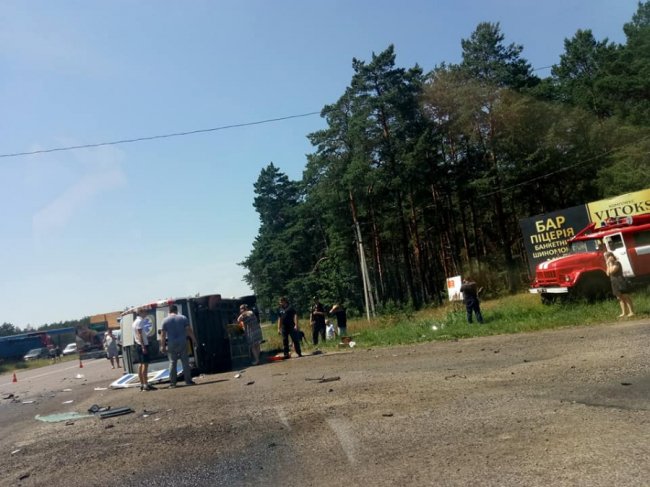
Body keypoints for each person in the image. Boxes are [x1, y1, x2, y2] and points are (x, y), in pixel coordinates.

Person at [160, 304, 197, 388]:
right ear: (176, 311)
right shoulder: (183, 318)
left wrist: (162, 346)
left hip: (171, 343)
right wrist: (194, 340)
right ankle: (188, 381)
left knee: (172, 362)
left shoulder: (165, 320)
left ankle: (173, 383)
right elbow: (189, 330)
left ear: (169, 311)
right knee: (185, 362)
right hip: (182, 341)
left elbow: (163, 334)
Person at [605, 252, 634, 318]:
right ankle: (624, 312)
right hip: (614, 282)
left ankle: (631, 312)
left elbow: (612, 271)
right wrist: (608, 265)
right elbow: (608, 274)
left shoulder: (617, 263)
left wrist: (610, 264)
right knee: (619, 298)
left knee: (625, 296)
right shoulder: (609, 265)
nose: (606, 259)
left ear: (611, 256)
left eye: (607, 257)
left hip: (620, 281)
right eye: (606, 257)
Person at [133, 308, 156, 391]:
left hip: (138, 344)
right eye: (145, 311)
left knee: (141, 364)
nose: (146, 313)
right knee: (145, 365)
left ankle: (142, 383)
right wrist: (143, 346)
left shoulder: (135, 322)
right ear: (140, 312)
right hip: (142, 345)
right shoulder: (140, 321)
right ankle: (145, 384)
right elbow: (139, 334)